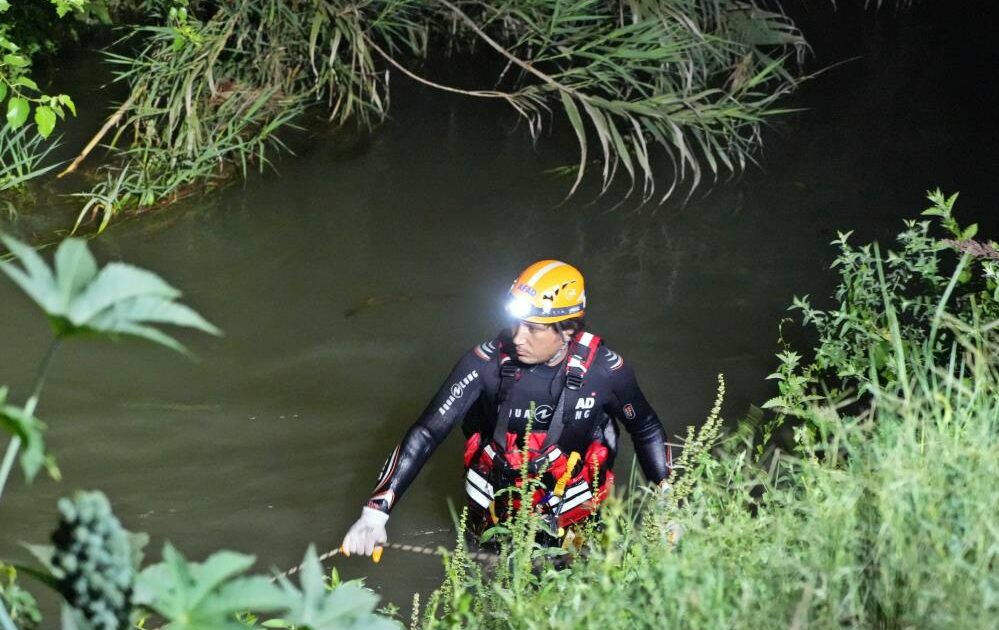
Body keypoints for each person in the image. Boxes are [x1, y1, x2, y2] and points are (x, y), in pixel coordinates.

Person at [341, 260, 672, 556]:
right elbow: (427, 432)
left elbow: (645, 428)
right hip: (495, 513)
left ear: (568, 329)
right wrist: (375, 513)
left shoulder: (605, 372)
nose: (517, 337)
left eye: (533, 328)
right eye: (515, 323)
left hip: (575, 515)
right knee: (490, 592)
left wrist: (668, 503)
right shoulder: (485, 364)